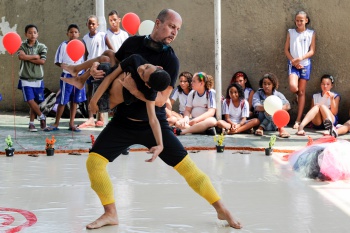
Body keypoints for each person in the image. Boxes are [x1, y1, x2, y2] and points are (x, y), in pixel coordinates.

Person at [64, 9, 241, 230]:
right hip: (122, 121)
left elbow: (160, 100)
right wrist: (98, 72)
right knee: (94, 164)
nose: (174, 32)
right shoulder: (132, 44)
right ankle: (110, 213)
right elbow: (114, 67)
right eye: (171, 26)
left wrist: (134, 90)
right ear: (158, 23)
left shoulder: (170, 59)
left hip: (152, 122)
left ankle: (221, 208)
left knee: (188, 168)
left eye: (178, 29)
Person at [43, 24, 86, 132]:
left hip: (79, 76)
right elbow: (57, 61)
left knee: (75, 101)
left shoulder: (81, 45)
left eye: (76, 32)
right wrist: (68, 67)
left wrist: (81, 73)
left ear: (79, 34)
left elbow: (83, 61)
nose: (73, 34)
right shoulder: (63, 45)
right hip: (67, 76)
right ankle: (56, 123)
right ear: (67, 34)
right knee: (63, 100)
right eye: (71, 32)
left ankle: (72, 123)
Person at [80, 15, 113, 129]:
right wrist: (85, 67)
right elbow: (85, 54)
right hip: (90, 68)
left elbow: (110, 50)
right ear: (87, 24)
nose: (91, 25)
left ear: (97, 25)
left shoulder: (103, 35)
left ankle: (100, 117)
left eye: (93, 23)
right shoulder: (85, 38)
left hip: (101, 68)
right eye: (89, 23)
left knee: (101, 91)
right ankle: (90, 117)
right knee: (90, 92)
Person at [284, 11, 316, 129]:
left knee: (302, 92)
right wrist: (293, 61)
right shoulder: (290, 32)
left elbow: (312, 51)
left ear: (306, 20)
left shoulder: (311, 33)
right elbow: (286, 50)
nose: (299, 22)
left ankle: (298, 120)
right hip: (292, 64)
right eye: (297, 20)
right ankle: (297, 96)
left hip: (305, 64)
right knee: (294, 87)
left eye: (301, 20)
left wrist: (301, 59)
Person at [17, 24, 47, 132]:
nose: (32, 34)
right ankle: (42, 117)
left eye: (34, 32)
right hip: (25, 79)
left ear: (37, 34)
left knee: (35, 102)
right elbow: (21, 56)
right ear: (26, 34)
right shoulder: (21, 46)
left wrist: (27, 58)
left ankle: (31, 123)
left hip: (38, 79)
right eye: (29, 32)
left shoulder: (42, 47)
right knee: (30, 100)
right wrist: (35, 56)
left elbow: (42, 61)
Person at [252, 73, 291, 138]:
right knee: (268, 106)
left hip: (274, 124)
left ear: (273, 85)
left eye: (269, 84)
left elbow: (288, 105)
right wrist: (268, 108)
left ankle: (261, 127)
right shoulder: (258, 94)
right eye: (264, 83)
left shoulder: (278, 95)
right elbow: (256, 107)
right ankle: (281, 128)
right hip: (263, 119)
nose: (266, 86)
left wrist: (276, 108)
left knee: (273, 107)